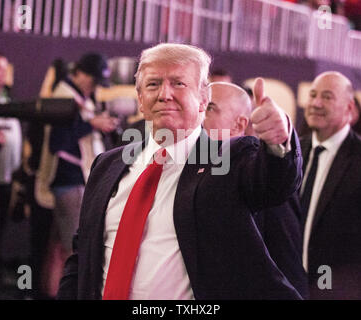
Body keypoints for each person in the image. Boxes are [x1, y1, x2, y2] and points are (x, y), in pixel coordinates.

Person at [57, 43, 303, 300]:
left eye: (178, 83)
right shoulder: (106, 165)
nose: (164, 94)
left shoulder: (230, 158)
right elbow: (82, 257)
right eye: (153, 84)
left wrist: (278, 141)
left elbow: (276, 183)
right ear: (140, 100)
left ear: (203, 100)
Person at [203, 81, 309, 299]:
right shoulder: (192, 167)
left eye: (209, 108)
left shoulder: (257, 173)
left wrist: (279, 141)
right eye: (198, 106)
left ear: (239, 124)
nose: (198, 116)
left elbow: (285, 262)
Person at [36, 52, 118, 298]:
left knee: (60, 247)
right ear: (80, 73)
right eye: (92, 81)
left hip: (75, 180)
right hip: (68, 181)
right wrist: (91, 125)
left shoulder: (78, 97)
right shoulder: (64, 97)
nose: (93, 87)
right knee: (72, 251)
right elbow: (57, 143)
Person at [300, 71, 361, 299]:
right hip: (288, 287)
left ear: (349, 109)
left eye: (327, 97)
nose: (316, 103)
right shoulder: (292, 151)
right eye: (313, 94)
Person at [0, 50, 22, 229]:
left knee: (0, 223)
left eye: (4, 68)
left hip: (7, 176)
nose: (1, 72)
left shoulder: (9, 96)